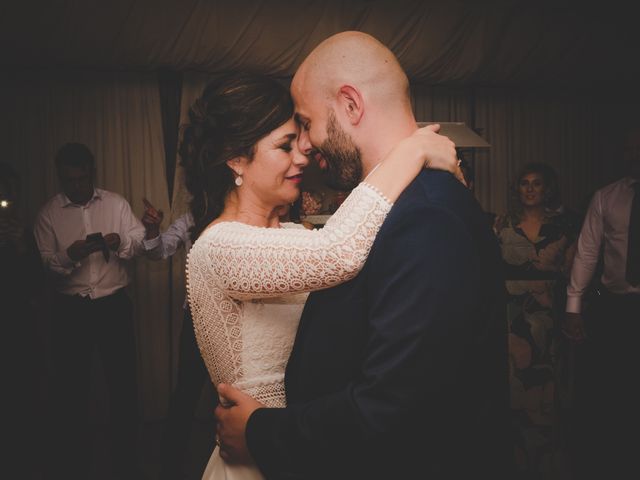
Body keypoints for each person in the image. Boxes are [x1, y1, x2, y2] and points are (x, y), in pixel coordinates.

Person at [213, 31, 510, 480]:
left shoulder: (423, 215)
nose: (307, 146)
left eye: (307, 122)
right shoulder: (388, 207)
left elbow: (392, 409)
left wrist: (261, 431)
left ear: (351, 105)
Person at [33, 143, 145, 480]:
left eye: (82, 179)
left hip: (113, 306)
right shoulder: (48, 214)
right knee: (71, 389)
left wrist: (119, 241)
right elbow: (45, 265)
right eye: (70, 181)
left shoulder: (115, 203)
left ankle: (128, 462)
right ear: (61, 178)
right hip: (71, 311)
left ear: (91, 174)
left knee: (123, 385)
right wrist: (70, 254)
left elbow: (139, 240)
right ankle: (73, 464)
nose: (78, 186)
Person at [562, 126, 640, 479]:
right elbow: (586, 253)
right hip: (617, 309)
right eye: (629, 148)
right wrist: (573, 308)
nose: (633, 154)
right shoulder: (607, 197)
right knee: (614, 394)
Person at [493, 162, 578, 478]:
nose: (530, 189)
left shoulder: (563, 227)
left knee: (549, 387)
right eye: (524, 183)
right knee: (514, 383)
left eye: (537, 183)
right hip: (512, 314)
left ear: (548, 189)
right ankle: (515, 464)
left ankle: (549, 464)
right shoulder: (503, 224)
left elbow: (574, 273)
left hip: (549, 314)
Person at [140, 199, 214, 479]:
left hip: (235, 319)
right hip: (196, 317)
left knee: (231, 395)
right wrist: (151, 230)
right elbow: (160, 250)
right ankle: (170, 466)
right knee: (186, 392)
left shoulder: (242, 215)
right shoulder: (189, 219)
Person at [1, 162, 46, 479]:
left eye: (11, 197)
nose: (8, 202)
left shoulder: (22, 233)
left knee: (23, 403)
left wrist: (20, 246)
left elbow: (38, 285)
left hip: (19, 331)